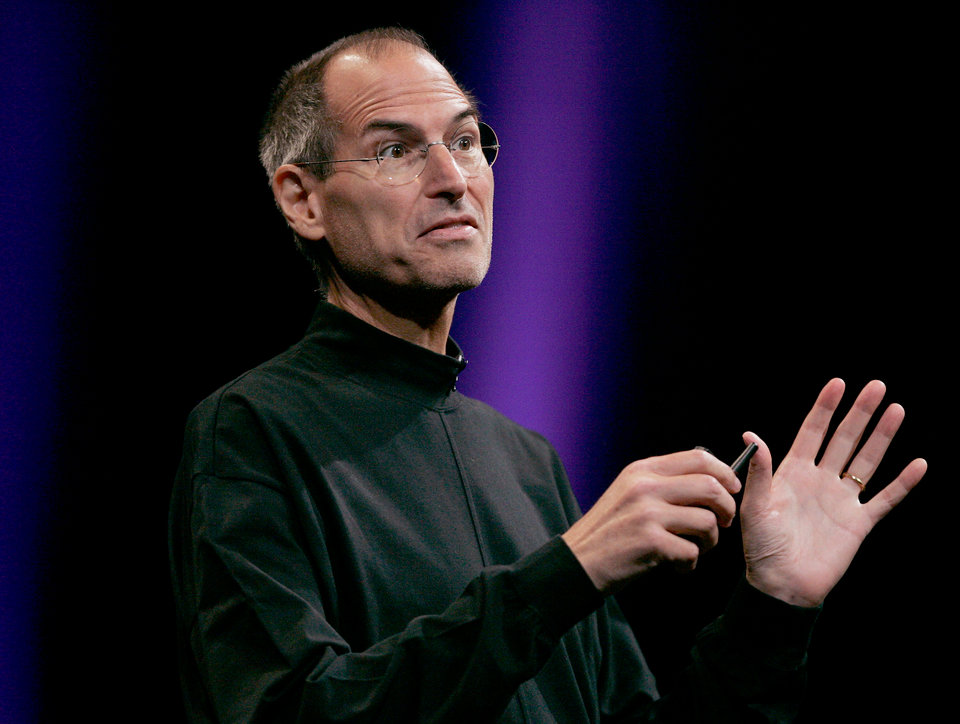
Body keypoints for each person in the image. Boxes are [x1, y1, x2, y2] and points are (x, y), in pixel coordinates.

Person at [168, 28, 927, 722]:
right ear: (303, 200)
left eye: (465, 141)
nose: (452, 178)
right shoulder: (250, 430)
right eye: (395, 150)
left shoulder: (527, 464)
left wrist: (773, 609)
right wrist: (571, 569)